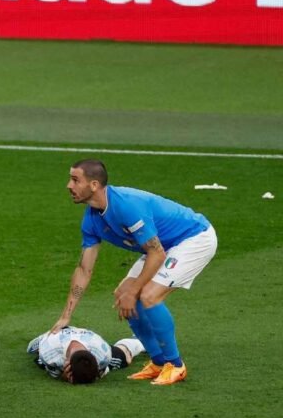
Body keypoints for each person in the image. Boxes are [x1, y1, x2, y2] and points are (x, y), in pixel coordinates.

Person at [52, 159, 217, 385]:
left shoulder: (126, 206)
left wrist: (135, 291)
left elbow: (156, 253)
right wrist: (66, 315)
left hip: (193, 238)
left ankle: (176, 365)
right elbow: (84, 269)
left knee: (148, 296)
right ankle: (158, 362)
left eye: (75, 180)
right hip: (161, 246)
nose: (68, 186)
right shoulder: (91, 220)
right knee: (123, 293)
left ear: (93, 185)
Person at [26, 327, 145, 384]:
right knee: (36, 357)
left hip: (91, 341)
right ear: (66, 364)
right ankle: (45, 336)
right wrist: (62, 376)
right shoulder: (49, 354)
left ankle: (141, 340)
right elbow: (55, 373)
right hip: (54, 339)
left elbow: (101, 373)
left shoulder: (103, 354)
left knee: (122, 357)